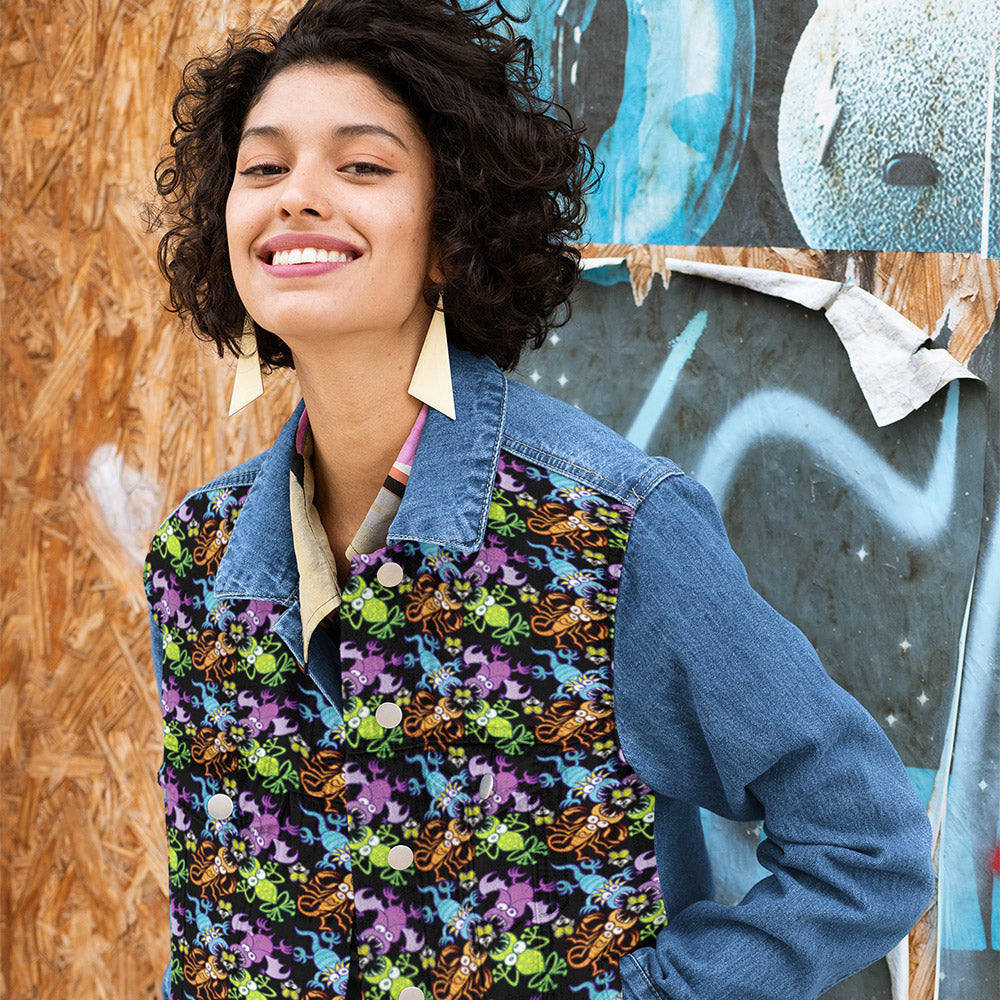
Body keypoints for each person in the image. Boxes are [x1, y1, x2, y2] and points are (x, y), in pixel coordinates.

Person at [144, 2, 934, 999]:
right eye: (263, 168)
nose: (297, 195)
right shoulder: (195, 562)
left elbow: (865, 847)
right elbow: (213, 932)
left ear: (451, 230)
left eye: (363, 165)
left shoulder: (608, 535)